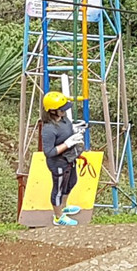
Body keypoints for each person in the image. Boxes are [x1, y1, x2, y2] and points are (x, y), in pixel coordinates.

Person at [41, 90, 85, 226]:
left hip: (69, 159)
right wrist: (67, 144)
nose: (64, 111)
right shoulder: (49, 129)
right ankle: (58, 217)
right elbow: (49, 152)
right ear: (53, 111)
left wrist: (75, 130)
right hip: (58, 163)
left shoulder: (64, 119)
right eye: (62, 109)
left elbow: (67, 130)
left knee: (71, 182)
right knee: (58, 189)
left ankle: (63, 207)